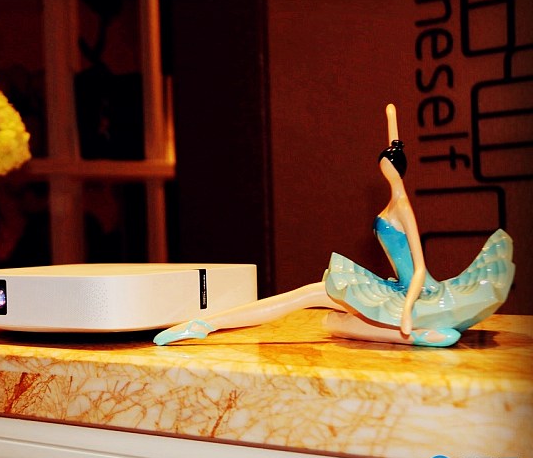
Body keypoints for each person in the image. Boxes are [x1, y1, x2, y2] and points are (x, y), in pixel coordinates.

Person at [154, 104, 515, 347]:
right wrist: (391, 121)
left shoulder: (402, 206)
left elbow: (419, 268)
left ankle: (206, 325)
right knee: (322, 312)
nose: (383, 169)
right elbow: (393, 144)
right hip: (398, 288)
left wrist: (407, 311)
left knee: (306, 296)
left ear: (394, 169)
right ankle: (206, 323)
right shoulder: (394, 200)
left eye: (387, 164)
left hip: (415, 294)